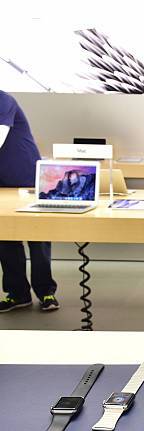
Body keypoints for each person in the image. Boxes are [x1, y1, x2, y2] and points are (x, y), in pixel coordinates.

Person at [0, 90, 59, 313]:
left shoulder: (2, 99)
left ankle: (46, 291)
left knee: (38, 235)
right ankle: (17, 294)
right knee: (5, 236)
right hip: (2, 180)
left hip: (28, 177)